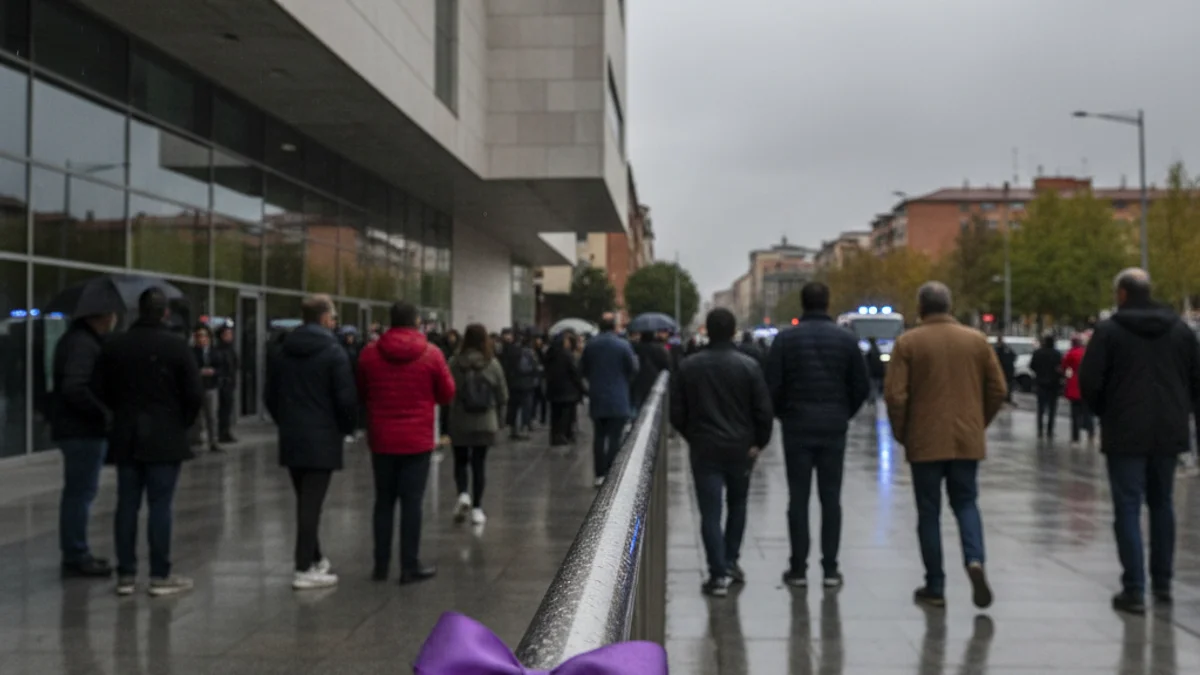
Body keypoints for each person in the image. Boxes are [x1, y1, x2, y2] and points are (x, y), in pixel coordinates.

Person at [1079, 268, 1200, 615]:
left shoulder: (1109, 332)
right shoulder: (1181, 331)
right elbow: (1197, 380)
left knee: (1128, 506)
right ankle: (1163, 583)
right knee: (1163, 504)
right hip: (1169, 431)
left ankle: (1134, 588)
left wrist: (1106, 411)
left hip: (1125, 431)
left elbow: (1090, 382)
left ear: (1122, 294)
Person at [885, 282, 1006, 610]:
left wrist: (903, 432)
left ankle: (935, 585)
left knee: (929, 511)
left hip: (925, 439)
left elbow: (895, 395)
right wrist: (978, 422)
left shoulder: (908, 343)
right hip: (966, 438)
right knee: (966, 502)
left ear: (921, 307)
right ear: (949, 306)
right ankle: (974, 558)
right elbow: (998, 388)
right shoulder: (976, 341)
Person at [98, 288, 203, 597]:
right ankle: (159, 574)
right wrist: (180, 423)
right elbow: (194, 394)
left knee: (127, 504)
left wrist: (119, 415)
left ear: (137, 311)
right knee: (160, 505)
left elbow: (101, 388)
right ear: (165, 313)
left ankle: (126, 574)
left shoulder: (116, 346)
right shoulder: (176, 346)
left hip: (128, 433)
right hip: (165, 434)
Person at [765, 282, 869, 588]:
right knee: (831, 499)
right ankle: (831, 568)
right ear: (828, 303)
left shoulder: (785, 340)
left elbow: (772, 385)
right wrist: (843, 412)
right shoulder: (847, 340)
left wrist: (784, 414)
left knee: (798, 499)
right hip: (833, 428)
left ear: (802, 303)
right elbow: (861, 386)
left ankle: (798, 568)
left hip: (797, 427)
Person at [671, 308, 773, 597]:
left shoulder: (689, 366)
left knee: (710, 511)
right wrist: (758, 442)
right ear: (732, 332)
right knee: (738, 505)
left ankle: (717, 574)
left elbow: (677, 411)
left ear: (707, 330)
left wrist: (692, 436)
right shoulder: (749, 366)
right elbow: (763, 411)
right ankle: (730, 561)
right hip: (741, 448)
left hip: (705, 447)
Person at [357, 301, 455, 584]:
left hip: (382, 438)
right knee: (412, 503)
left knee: (383, 502)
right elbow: (447, 393)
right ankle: (409, 565)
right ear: (416, 322)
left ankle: (380, 564)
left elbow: (362, 391)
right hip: (417, 440)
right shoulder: (431, 354)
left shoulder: (370, 354)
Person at [264, 294, 357, 591]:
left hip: (292, 435)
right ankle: (303, 567)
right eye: (333, 316)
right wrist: (345, 428)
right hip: (322, 436)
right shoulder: (334, 352)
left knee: (305, 499)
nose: (335, 322)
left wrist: (285, 422)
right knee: (311, 504)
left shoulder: (282, 350)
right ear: (324, 318)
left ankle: (315, 557)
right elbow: (345, 398)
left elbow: (270, 395)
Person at [51, 310, 118, 578]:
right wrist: (103, 414)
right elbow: (75, 387)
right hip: (82, 430)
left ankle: (76, 551)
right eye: (112, 316)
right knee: (80, 493)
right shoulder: (83, 344)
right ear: (100, 316)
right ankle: (76, 553)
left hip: (76, 428)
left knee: (78, 492)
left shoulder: (75, 340)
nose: (114, 320)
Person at [447, 324, 508, 526]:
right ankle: (477, 509)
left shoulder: (455, 362)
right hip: (485, 421)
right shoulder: (492, 363)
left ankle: (463, 493)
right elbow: (502, 395)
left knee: (460, 461)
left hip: (460, 421)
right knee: (479, 464)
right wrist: (500, 420)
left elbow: (448, 392)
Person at [580, 316, 638, 487]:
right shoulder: (623, 345)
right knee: (615, 436)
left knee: (599, 436)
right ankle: (610, 472)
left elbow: (583, 368)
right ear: (614, 328)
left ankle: (599, 474)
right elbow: (633, 368)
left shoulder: (591, 345)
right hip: (618, 397)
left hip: (597, 396)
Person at [546, 331, 587, 446]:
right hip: (568, 391)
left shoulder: (550, 354)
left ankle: (555, 436)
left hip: (554, 390)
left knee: (555, 415)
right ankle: (563, 435)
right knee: (566, 415)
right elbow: (574, 373)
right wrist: (583, 389)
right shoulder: (567, 355)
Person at [191, 325, 227, 453]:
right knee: (196, 417)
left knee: (212, 416)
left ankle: (214, 441)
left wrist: (214, 372)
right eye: (199, 336)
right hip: (197, 387)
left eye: (205, 336)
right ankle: (195, 441)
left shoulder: (215, 352)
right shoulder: (192, 352)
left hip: (211, 386)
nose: (202, 339)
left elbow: (222, 368)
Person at [500, 332, 539, 439]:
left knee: (513, 406)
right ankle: (523, 429)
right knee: (525, 407)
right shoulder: (528, 353)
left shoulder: (508, 351)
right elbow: (532, 368)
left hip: (512, 384)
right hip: (526, 384)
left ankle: (513, 429)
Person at [1061, 336, 1094, 445]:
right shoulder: (1086, 352)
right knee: (1087, 412)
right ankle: (1091, 432)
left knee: (1075, 413)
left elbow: (1064, 366)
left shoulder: (1071, 353)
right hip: (1087, 384)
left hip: (1074, 385)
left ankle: (1075, 437)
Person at [1029, 335, 1064, 439]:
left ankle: (1040, 430)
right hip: (1053, 384)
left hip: (1041, 383)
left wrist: (1039, 373)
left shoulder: (1038, 353)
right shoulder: (1057, 354)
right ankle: (1050, 430)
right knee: (1052, 409)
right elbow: (1061, 368)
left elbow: (1032, 366)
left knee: (1040, 408)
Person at [631, 331, 671, 414]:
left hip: (638, 382)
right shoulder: (659, 349)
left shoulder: (635, 348)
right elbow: (667, 366)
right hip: (654, 380)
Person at [215, 324, 238, 443]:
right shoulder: (219, 350)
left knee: (227, 409)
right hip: (222, 383)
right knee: (223, 409)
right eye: (227, 334)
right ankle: (221, 432)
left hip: (228, 382)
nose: (230, 336)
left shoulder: (230, 349)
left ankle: (225, 431)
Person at [993, 336, 1017, 403]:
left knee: (1005, 384)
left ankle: (1005, 397)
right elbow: (1014, 356)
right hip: (1008, 370)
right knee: (1007, 384)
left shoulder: (998, 349)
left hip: (1004, 370)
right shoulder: (1007, 348)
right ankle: (1007, 397)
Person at [865, 337, 886, 403]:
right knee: (877, 385)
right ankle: (876, 397)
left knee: (873, 386)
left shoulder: (870, 351)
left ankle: (872, 399)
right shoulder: (877, 350)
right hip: (879, 372)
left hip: (873, 372)